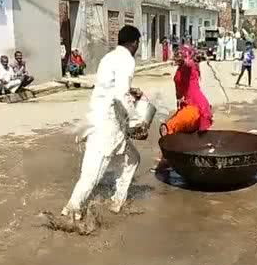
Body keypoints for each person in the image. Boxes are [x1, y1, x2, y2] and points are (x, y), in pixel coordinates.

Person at [62, 25, 143, 220]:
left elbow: (110, 88)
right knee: (92, 174)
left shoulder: (109, 58)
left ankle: (117, 201)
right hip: (107, 124)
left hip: (101, 116)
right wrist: (138, 121)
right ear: (134, 43)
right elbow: (120, 94)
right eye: (138, 43)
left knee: (132, 158)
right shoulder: (127, 60)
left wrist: (132, 93)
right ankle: (70, 212)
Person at [159, 47, 212, 137]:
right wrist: (179, 100)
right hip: (185, 106)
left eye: (181, 54)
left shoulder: (190, 67)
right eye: (178, 54)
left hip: (196, 107)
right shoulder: (179, 70)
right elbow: (178, 90)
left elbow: (189, 63)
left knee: (170, 127)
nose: (178, 56)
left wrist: (186, 59)